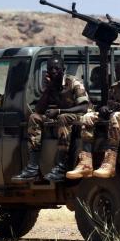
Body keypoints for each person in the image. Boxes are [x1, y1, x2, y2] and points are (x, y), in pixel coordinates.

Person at [67, 57, 120, 179]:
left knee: (117, 115)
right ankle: (86, 162)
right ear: (117, 72)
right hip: (119, 118)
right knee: (88, 116)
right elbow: (110, 105)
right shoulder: (115, 88)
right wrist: (105, 109)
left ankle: (110, 162)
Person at [11, 54, 89, 183]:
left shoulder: (73, 82)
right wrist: (49, 89)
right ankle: (33, 167)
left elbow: (84, 107)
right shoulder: (52, 85)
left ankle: (61, 166)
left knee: (63, 117)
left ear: (63, 69)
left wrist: (59, 111)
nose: (53, 71)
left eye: (57, 68)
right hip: (63, 116)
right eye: (50, 69)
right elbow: (39, 110)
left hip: (81, 116)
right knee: (34, 117)